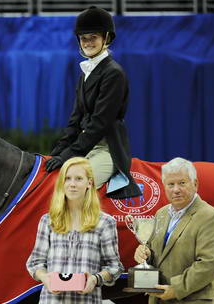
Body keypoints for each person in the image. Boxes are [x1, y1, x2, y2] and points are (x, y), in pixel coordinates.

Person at [45, 6, 141, 200]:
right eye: (84, 38)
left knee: (76, 188)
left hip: (107, 149)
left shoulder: (113, 73)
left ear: (106, 39)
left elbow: (99, 123)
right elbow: (75, 119)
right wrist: (55, 153)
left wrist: (68, 155)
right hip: (86, 147)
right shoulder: (85, 74)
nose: (88, 43)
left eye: (93, 38)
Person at [27, 157, 123, 304]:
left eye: (79, 179)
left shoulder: (104, 222)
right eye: (68, 178)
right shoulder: (48, 221)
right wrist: (46, 279)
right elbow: (35, 263)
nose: (72, 184)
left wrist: (95, 279)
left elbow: (114, 266)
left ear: (89, 183)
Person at [133, 157, 214, 304]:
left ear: (195, 183)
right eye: (170, 184)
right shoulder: (161, 214)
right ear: (164, 186)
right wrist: (144, 253)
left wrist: (175, 289)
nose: (176, 189)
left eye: (182, 183)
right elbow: (158, 253)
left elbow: (210, 265)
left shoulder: (209, 217)